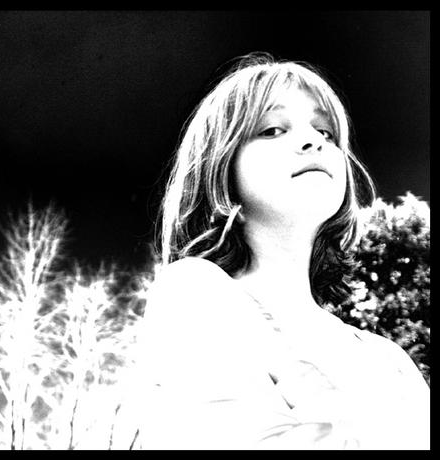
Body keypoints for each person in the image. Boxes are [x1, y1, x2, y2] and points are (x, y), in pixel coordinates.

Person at [117, 52, 430, 449]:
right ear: (220, 168)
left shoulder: (390, 360)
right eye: (271, 130)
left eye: (326, 132)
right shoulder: (193, 295)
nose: (313, 141)